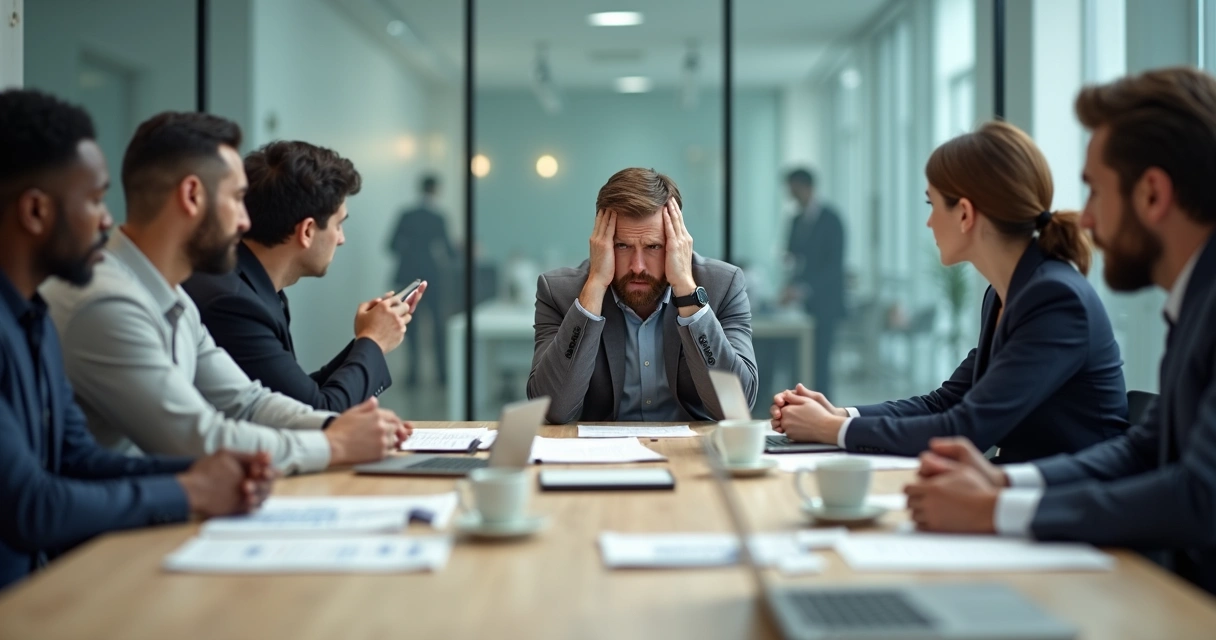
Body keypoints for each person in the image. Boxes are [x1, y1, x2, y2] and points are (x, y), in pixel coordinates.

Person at [903, 67, 1216, 595]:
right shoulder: (1195, 304)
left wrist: (998, 508)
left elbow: (1200, 497)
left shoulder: (1065, 295)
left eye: (1095, 191)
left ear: (1153, 195)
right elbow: (1143, 448)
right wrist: (1002, 483)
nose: (1085, 219)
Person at [0, 89, 274, 590]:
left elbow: (77, 460)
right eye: (94, 200)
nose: (107, 220)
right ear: (36, 212)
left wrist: (215, 468)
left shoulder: (32, 317)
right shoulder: (80, 306)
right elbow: (29, 505)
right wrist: (191, 489)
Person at [41, 111, 410, 476]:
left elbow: (247, 402)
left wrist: (334, 428)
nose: (245, 221)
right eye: (236, 199)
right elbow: (197, 437)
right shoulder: (106, 302)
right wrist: (336, 443)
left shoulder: (173, 297)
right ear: (192, 196)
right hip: (107, 526)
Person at [771, 121, 1128, 463]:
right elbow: (945, 402)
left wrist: (832, 428)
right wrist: (841, 413)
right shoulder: (1006, 294)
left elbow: (967, 428)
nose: (928, 222)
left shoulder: (1053, 298)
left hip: (1065, 505)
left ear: (965, 214)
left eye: (932, 204)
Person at [184, 140, 424, 411]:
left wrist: (368, 338)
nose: (341, 239)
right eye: (338, 225)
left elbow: (296, 397)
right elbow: (314, 415)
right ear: (308, 230)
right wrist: (374, 342)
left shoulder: (252, 286)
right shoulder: (232, 303)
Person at [527, 167, 757, 424]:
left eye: (653, 247)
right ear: (600, 243)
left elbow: (735, 408)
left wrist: (686, 291)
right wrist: (594, 289)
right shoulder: (558, 292)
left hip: (691, 454)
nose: (637, 266)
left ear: (676, 243)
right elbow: (553, 409)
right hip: (600, 457)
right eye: (622, 245)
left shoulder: (723, 285)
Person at [783, 168, 845, 399]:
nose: (792, 195)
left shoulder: (832, 220)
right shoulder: (796, 220)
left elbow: (833, 268)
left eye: (794, 190)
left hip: (825, 303)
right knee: (798, 361)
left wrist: (802, 289)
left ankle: (823, 411)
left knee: (820, 361)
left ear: (807, 187)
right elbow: (791, 258)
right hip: (800, 305)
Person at [388, 174, 455, 387]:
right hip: (431, 276)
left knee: (410, 326)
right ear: (435, 190)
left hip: (408, 277)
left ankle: (413, 375)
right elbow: (449, 251)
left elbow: (391, 245)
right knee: (437, 327)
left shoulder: (406, 215)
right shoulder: (438, 218)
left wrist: (410, 252)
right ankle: (441, 375)